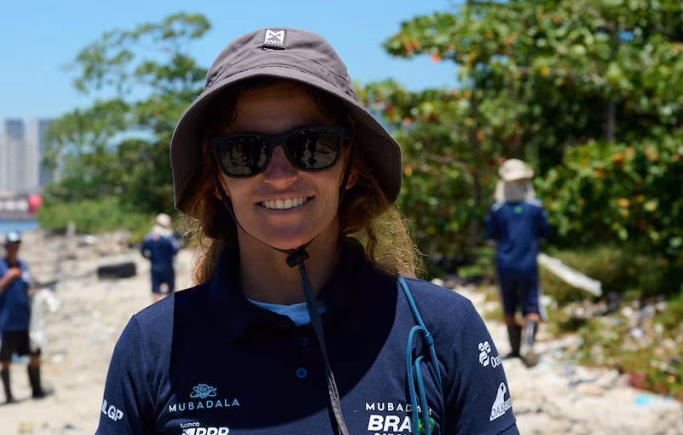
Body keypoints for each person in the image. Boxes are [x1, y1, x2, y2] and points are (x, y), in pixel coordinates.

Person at [97, 28, 519, 434]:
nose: (280, 175)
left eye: (312, 145)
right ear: (218, 177)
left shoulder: (439, 330)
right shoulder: (154, 344)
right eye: (246, 152)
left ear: (350, 164)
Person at [486, 159, 552, 367]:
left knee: (509, 307)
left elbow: (490, 237)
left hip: (504, 264)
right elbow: (546, 232)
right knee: (532, 305)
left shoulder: (497, 209)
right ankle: (529, 345)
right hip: (528, 264)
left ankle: (514, 349)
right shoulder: (535, 207)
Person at [0, 231, 46, 404]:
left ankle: (36, 390)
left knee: (34, 353)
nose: (14, 248)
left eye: (17, 245)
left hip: (25, 320)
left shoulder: (24, 265)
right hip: (7, 321)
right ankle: (9, 396)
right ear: (6, 247)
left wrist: (36, 294)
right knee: (5, 359)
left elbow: (25, 287)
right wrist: (10, 275)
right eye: (11, 245)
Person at [140, 213, 181, 302]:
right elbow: (175, 250)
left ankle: (155, 312)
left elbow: (142, 251)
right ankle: (170, 310)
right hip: (168, 266)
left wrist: (149, 257)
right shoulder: (169, 237)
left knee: (155, 290)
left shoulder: (149, 237)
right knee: (170, 290)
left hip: (155, 267)